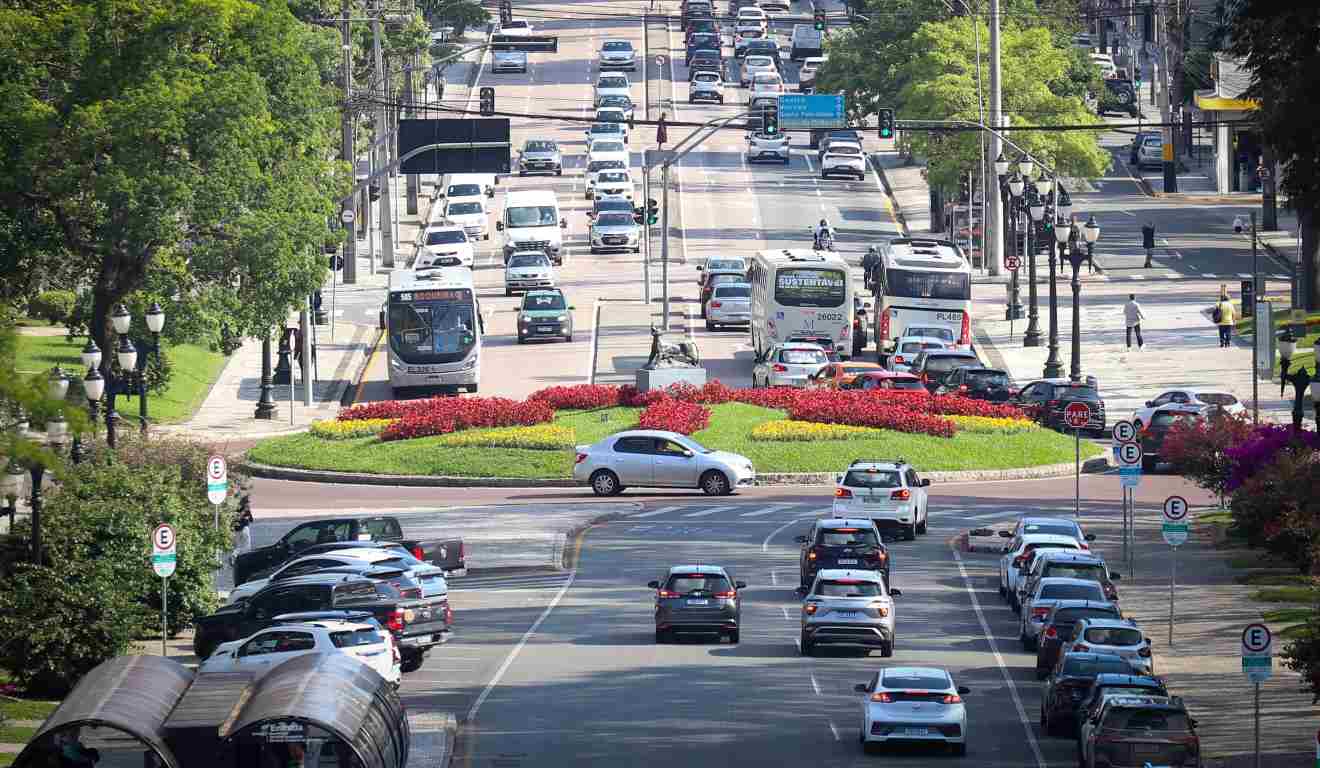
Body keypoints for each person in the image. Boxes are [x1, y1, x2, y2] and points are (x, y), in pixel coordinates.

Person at [229, 499, 253, 567]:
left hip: (235, 530)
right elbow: (251, 520)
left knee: (237, 546)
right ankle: (244, 559)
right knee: (247, 546)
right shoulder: (246, 510)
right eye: (248, 503)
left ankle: (234, 557)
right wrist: (246, 517)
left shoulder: (235, 510)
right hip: (244, 529)